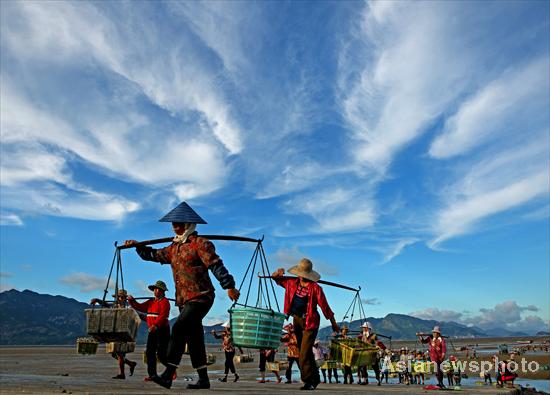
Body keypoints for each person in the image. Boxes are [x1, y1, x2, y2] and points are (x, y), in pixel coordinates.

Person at [124, 201, 240, 390]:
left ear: (188, 225)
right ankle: (204, 379)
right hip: (183, 300)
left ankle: (168, 374)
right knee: (194, 338)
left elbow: (216, 265)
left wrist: (229, 286)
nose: (175, 227)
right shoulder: (173, 248)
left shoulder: (200, 244)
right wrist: (138, 247)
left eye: (178, 224)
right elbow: (154, 255)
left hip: (201, 297)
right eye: (173, 224)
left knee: (177, 328)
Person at [272, 259, 340, 390]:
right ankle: (315, 379)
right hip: (297, 320)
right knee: (306, 353)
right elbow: (277, 280)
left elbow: (325, 307)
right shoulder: (291, 283)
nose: (302, 276)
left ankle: (308, 381)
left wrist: (334, 323)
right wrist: (277, 273)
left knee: (303, 353)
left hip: (311, 322)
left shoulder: (316, 288)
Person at [128, 280, 171, 381]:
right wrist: (132, 301)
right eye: (155, 289)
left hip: (162, 329)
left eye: (158, 289)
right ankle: (152, 375)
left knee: (161, 354)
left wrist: (155, 325)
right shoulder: (151, 301)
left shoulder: (165, 302)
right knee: (150, 352)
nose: (156, 291)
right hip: (152, 330)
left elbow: (163, 316)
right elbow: (140, 307)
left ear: (162, 291)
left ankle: (171, 370)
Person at [90, 290, 137, 379]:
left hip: (124, 333)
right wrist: (97, 300)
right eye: (118, 297)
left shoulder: (128, 307)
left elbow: (133, 318)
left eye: (122, 297)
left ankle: (122, 374)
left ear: (125, 299)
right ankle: (130, 364)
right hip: (115, 332)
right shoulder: (114, 306)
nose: (119, 299)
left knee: (120, 353)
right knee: (114, 354)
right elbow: (105, 304)